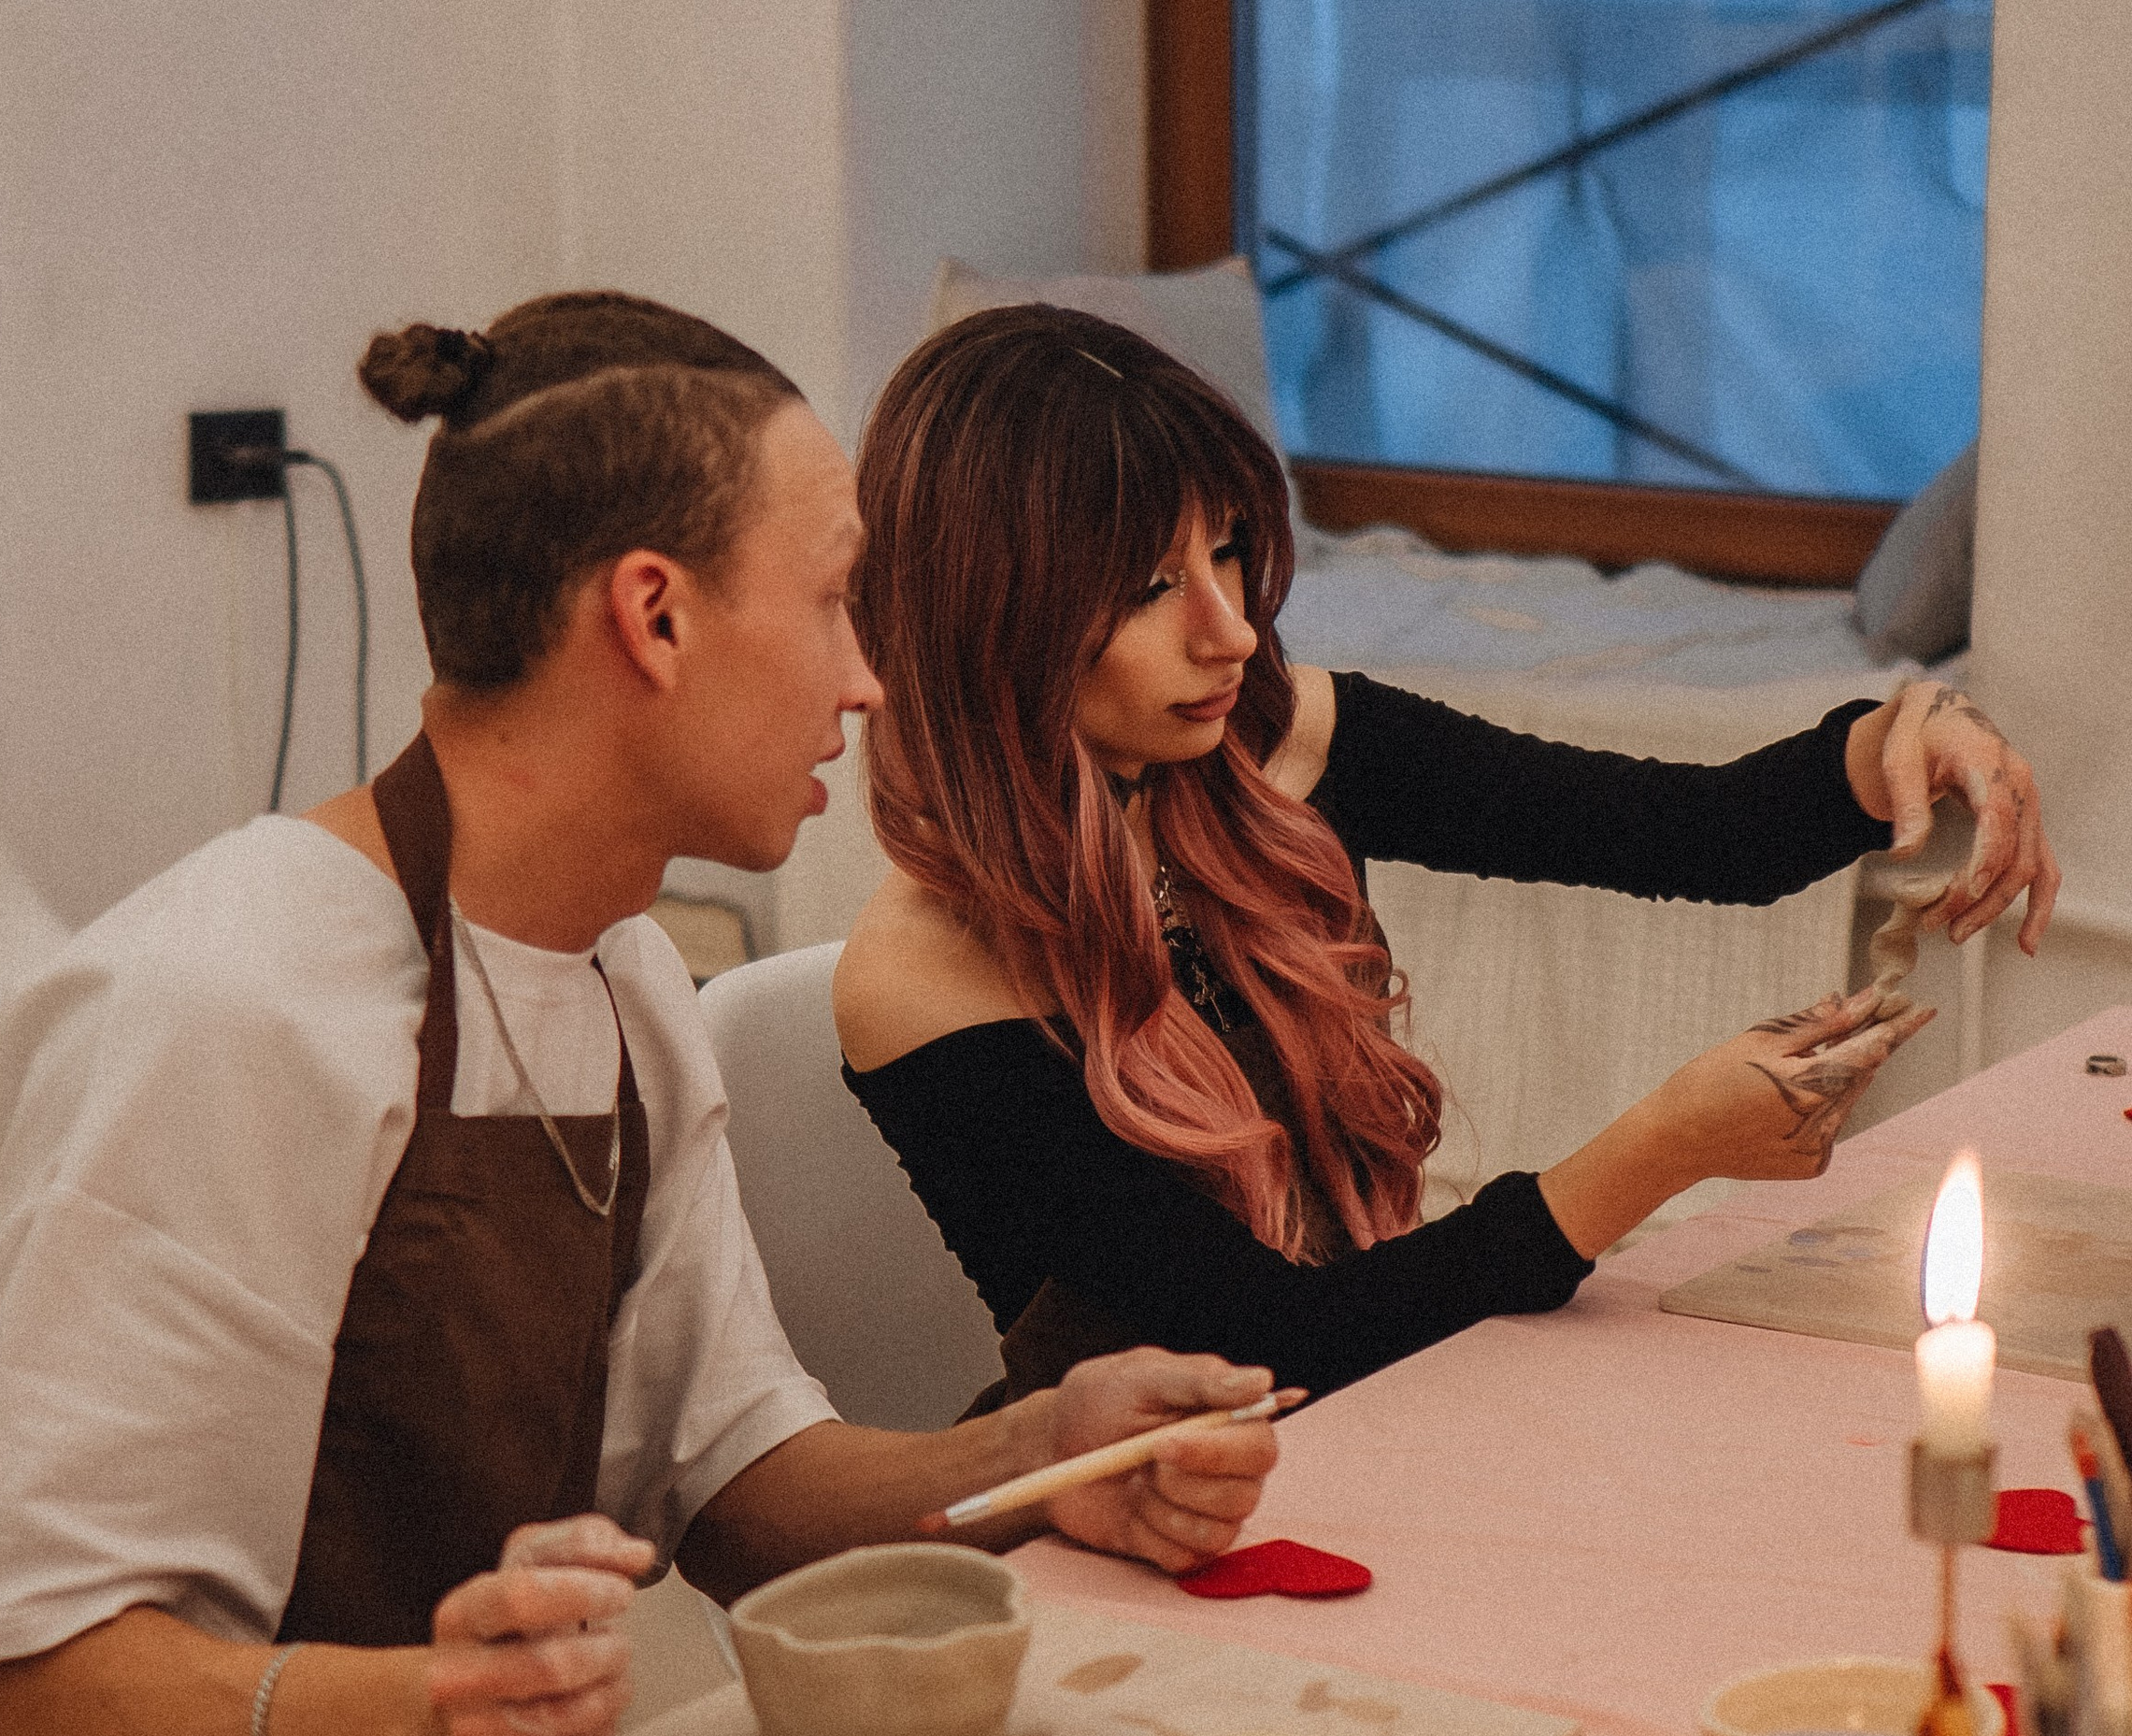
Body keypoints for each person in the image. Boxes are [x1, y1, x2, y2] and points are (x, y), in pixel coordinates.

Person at [0, 291, 1281, 1736]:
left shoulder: (619, 981)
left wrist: (1034, 1457)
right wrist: (422, 1717)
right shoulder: (219, 1010)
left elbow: (735, 1473)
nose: (866, 676)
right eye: (838, 599)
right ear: (656, 614)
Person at [834, 308, 2059, 1405]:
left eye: (1228, 550)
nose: (1228, 629)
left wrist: (1902, 738)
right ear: (997, 614)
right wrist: (1659, 1149)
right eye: (1152, 585)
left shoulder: (1286, 745)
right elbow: (1267, 1344)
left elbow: (1691, 833)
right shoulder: (928, 976)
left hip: (1379, 1407)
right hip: (1130, 1511)